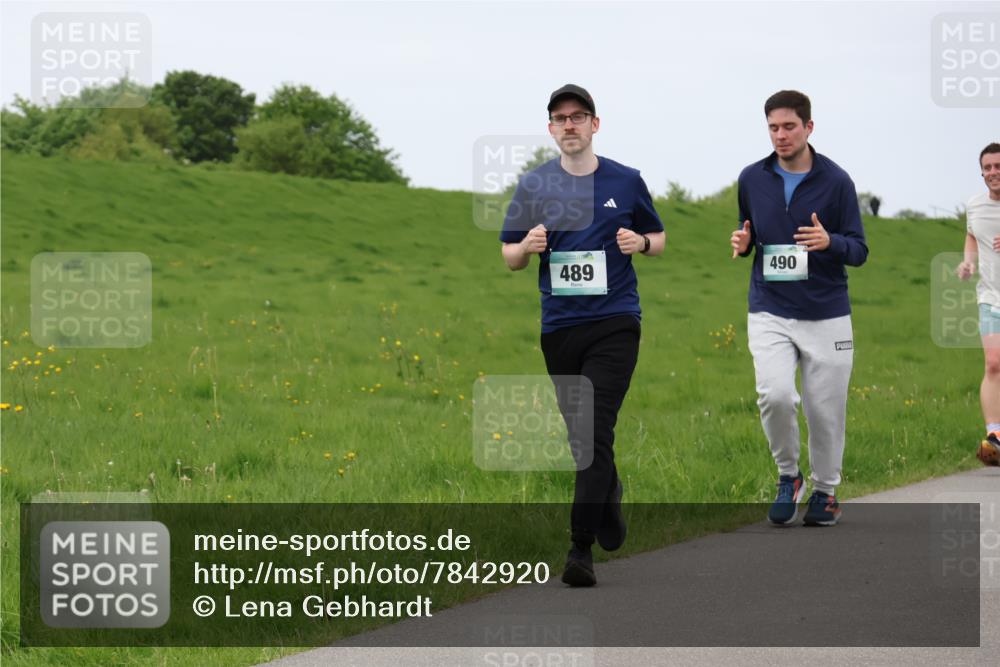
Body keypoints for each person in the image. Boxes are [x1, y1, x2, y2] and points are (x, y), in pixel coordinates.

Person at [500, 84, 665, 586]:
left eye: (578, 116)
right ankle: (608, 496)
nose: (569, 125)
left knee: (593, 432)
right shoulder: (534, 186)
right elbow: (509, 256)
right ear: (551, 129)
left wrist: (639, 241)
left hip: (615, 323)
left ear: (595, 124)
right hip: (560, 329)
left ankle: (579, 550)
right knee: (583, 440)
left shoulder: (626, 180)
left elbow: (658, 240)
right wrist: (526, 246)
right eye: (559, 118)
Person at [730, 90, 868, 527]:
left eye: (789, 126)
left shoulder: (837, 181)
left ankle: (825, 492)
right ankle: (789, 477)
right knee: (773, 395)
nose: (781, 135)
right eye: (773, 127)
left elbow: (860, 250)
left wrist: (831, 242)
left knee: (825, 410)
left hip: (826, 311)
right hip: (769, 307)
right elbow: (749, 230)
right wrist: (744, 241)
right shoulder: (752, 178)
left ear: (809, 127)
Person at [956, 142, 1000, 466]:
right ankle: (995, 437)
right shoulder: (975, 204)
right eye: (987, 167)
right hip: (991, 297)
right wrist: (968, 262)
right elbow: (972, 235)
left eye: (998, 166)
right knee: (994, 363)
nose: (993, 173)